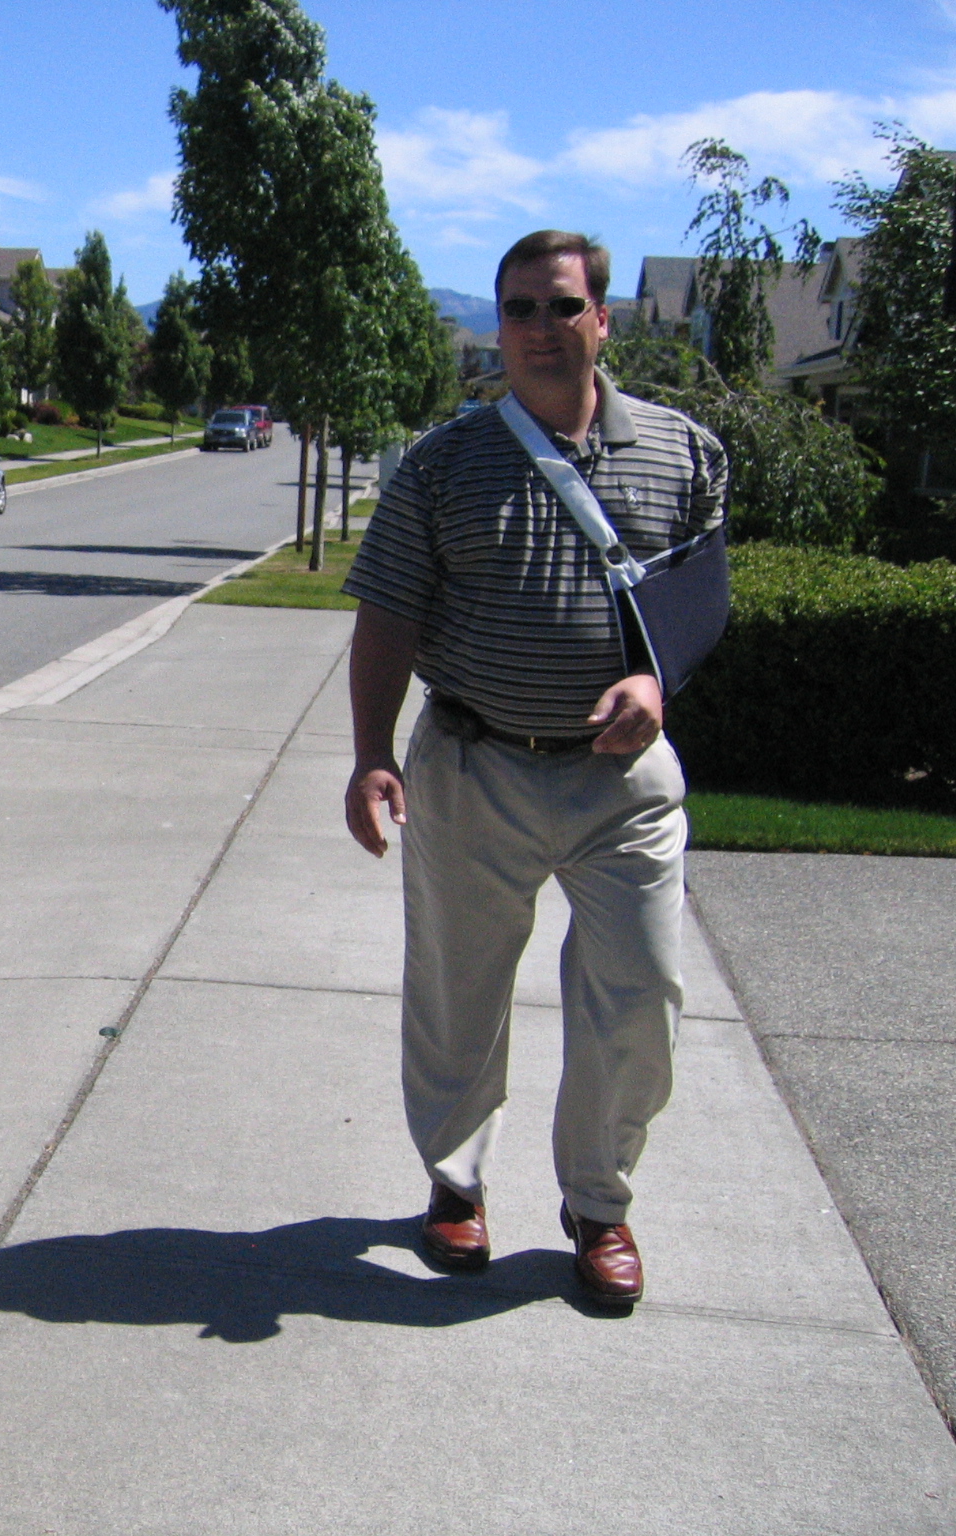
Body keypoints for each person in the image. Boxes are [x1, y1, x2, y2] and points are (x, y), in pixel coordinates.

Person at [341, 230, 726, 1307]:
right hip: (474, 765)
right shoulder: (442, 465)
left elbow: (700, 600)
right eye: (518, 310)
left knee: (641, 993)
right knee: (458, 993)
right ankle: (453, 1186)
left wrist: (655, 685)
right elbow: (387, 619)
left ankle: (596, 1205)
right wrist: (372, 754)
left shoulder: (682, 452)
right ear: (494, 329)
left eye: (562, 308)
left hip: (622, 786)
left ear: (602, 319)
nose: (541, 329)